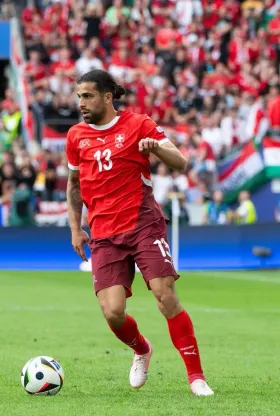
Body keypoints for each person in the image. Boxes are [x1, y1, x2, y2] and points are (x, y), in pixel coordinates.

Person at [65, 70, 214, 396]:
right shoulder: (76, 136)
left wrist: (156, 149)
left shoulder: (138, 124)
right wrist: (76, 229)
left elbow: (181, 162)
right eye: (78, 97)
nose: (81, 103)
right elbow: (74, 185)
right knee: (113, 312)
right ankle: (142, 349)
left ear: (107, 96)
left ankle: (196, 376)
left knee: (165, 295)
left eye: (87, 96)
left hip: (143, 224)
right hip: (103, 232)